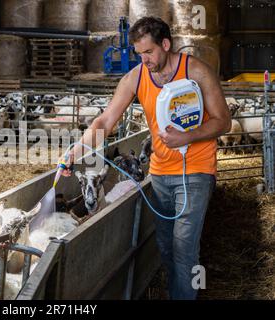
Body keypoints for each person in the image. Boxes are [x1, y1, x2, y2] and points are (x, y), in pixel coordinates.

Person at [60, 16, 231, 299]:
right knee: (164, 245)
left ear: (165, 44)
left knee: (184, 244)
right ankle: (179, 290)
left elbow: (223, 122)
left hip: (197, 168)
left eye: (149, 52)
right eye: (139, 54)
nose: (145, 60)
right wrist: (74, 152)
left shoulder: (197, 71)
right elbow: (105, 121)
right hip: (160, 173)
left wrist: (187, 136)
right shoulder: (136, 77)